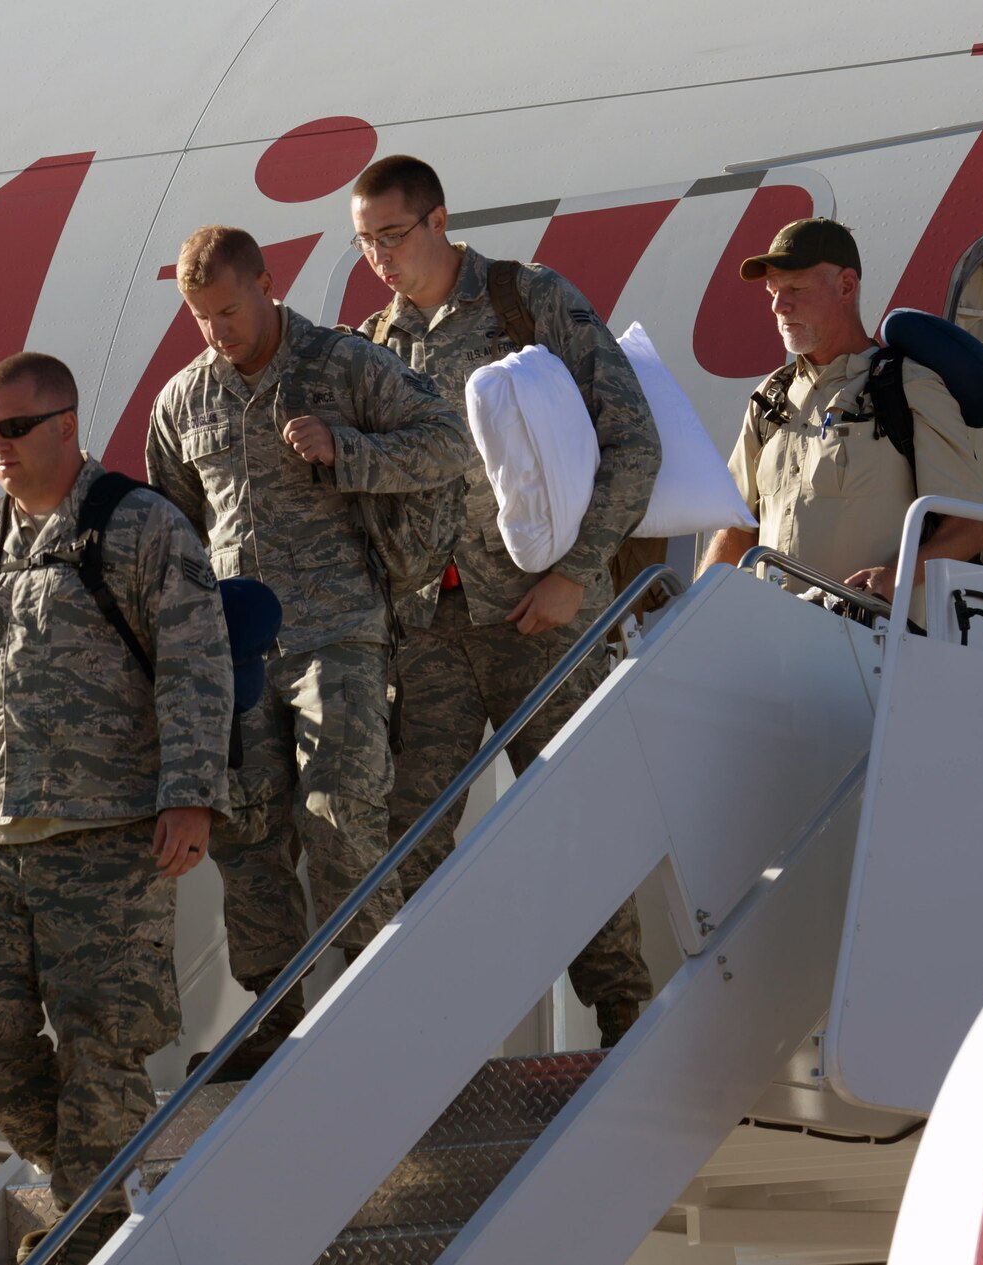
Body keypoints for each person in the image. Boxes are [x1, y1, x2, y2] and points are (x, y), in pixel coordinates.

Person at [0, 352, 234, 1262]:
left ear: (66, 425)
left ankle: (91, 1235)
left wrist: (191, 794)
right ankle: (108, 1193)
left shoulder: (141, 528)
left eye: (12, 427)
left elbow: (198, 667)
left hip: (112, 838)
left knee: (104, 1050)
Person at [347, 154, 661, 1045]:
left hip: (540, 617)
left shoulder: (527, 300)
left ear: (440, 220)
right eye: (365, 244)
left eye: (393, 236)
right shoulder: (375, 349)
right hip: (431, 627)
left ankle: (623, 1012)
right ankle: (432, 1021)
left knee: (574, 817)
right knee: (411, 834)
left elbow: (631, 441)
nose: (380, 259)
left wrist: (579, 571)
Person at [145, 225, 471, 1076]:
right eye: (200, 319)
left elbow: (446, 442)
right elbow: (174, 528)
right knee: (249, 835)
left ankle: (383, 998)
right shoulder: (183, 403)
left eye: (228, 309)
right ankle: (275, 1014)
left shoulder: (342, 364)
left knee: (339, 812)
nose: (218, 331)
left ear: (267, 282)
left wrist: (347, 450)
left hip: (339, 632)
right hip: (238, 655)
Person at [697, 218, 983, 603]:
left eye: (795, 289)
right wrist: (694, 612)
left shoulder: (909, 386)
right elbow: (736, 531)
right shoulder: (771, 395)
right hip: (771, 644)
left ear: (846, 286)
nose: (778, 305)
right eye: (772, 291)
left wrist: (894, 577)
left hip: (868, 645)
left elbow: (971, 527)